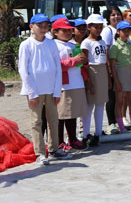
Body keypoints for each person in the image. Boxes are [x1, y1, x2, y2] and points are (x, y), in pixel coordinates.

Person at [18, 14, 68, 165]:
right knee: (36, 121)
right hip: (35, 89)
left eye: (46, 26)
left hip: (51, 88)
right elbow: (23, 70)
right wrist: (31, 92)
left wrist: (57, 90)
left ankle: (54, 149)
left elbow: (58, 68)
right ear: (31, 26)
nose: (43, 29)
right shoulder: (26, 45)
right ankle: (40, 152)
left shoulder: (51, 44)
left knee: (54, 120)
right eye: (40, 26)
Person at [53, 18, 87, 150]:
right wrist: (74, 61)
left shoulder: (74, 45)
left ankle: (72, 139)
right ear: (55, 32)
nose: (68, 33)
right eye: (64, 30)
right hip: (63, 84)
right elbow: (56, 66)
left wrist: (84, 60)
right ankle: (60, 141)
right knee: (61, 115)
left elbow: (81, 63)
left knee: (72, 113)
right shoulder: (54, 46)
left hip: (76, 83)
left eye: (69, 30)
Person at [80, 14, 110, 145]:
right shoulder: (86, 43)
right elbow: (85, 63)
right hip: (92, 71)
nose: (98, 29)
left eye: (100, 27)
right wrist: (88, 81)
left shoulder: (102, 42)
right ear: (89, 27)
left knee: (100, 104)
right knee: (90, 104)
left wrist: (108, 77)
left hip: (102, 70)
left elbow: (105, 60)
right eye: (95, 27)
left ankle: (98, 132)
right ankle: (86, 133)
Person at [108, 20, 131, 133]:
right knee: (119, 102)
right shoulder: (115, 46)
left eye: (128, 30)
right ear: (118, 31)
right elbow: (112, 65)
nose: (126, 32)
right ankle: (121, 127)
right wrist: (116, 81)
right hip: (120, 74)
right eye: (124, 30)